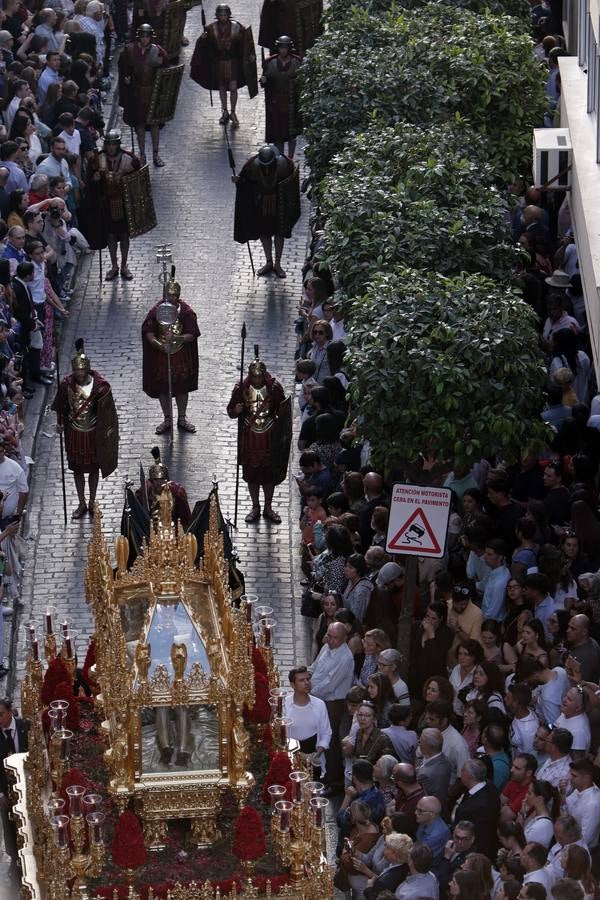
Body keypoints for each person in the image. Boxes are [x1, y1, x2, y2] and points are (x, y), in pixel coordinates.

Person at [52, 339, 118, 519]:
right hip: (75, 433)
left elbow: (108, 412)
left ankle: (92, 502)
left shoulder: (100, 386)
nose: (79, 374)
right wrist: (60, 423)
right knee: (78, 469)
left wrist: (108, 433)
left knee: (94, 469)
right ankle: (81, 502)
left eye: (82, 370)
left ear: (87, 369)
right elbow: (61, 406)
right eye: (76, 370)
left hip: (93, 433)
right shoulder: (67, 385)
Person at [227, 347, 289, 524]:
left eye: (259, 377)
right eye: (254, 377)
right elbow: (230, 410)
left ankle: (268, 507)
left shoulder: (274, 388)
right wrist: (236, 410)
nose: (256, 380)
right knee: (252, 473)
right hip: (250, 435)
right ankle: (255, 506)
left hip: (269, 434)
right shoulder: (241, 388)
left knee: (268, 474)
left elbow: (282, 410)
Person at [141, 275, 201, 435]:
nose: (172, 298)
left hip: (179, 353)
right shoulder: (156, 311)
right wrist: (160, 345)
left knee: (182, 387)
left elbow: (192, 334)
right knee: (162, 387)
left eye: (174, 295)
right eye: (169, 295)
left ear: (178, 296)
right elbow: (149, 332)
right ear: (165, 295)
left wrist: (176, 338)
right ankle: (167, 418)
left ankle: (181, 418)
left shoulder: (186, 312)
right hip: (162, 353)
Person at [233, 143, 300, 278]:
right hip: (261, 204)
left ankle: (278, 264)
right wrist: (239, 181)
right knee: (265, 233)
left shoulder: (284, 164)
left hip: (279, 205)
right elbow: (246, 181)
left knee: (280, 233)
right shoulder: (252, 165)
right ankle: (269, 261)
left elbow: (291, 182)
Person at [84, 129, 140, 280]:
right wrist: (95, 179)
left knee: (124, 234)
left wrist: (125, 173)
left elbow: (137, 167)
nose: (110, 147)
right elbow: (90, 179)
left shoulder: (128, 158)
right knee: (110, 235)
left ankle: (124, 265)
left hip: (123, 202)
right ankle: (114, 265)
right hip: (107, 203)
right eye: (108, 144)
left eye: (113, 144)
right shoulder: (98, 158)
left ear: (118, 145)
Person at [190, 3, 255, 127]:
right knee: (222, 87)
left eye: (225, 14)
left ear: (228, 15)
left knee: (233, 87)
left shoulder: (237, 27)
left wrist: (249, 55)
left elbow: (245, 42)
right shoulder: (211, 28)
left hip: (233, 62)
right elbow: (203, 46)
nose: (223, 16)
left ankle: (233, 112)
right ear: (217, 16)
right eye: (221, 14)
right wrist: (203, 39)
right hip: (219, 62)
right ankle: (224, 111)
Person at [308, 621, 355, 793]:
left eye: (336, 638)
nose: (331, 640)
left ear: (344, 638)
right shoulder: (326, 647)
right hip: (319, 698)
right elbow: (315, 667)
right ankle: (324, 772)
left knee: (331, 741)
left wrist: (310, 691)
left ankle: (334, 782)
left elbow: (330, 684)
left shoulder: (345, 658)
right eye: (329, 635)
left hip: (333, 703)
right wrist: (307, 677)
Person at [118, 24, 169, 167]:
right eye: (143, 36)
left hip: (152, 91)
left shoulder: (158, 51)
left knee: (154, 123)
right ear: (139, 36)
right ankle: (142, 154)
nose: (145, 39)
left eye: (147, 36)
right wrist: (126, 78)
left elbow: (165, 69)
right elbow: (124, 67)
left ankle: (156, 153)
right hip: (137, 91)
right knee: (139, 123)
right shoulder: (129, 50)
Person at [0, 698, 28, 886]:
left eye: (0, 714)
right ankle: (14, 859)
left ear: (10, 712)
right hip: (5, 792)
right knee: (9, 825)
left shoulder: (26, 726)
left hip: (26, 786)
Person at [259, 35, 302, 157]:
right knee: (278, 133)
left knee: (291, 134)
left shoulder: (297, 62)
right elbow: (265, 82)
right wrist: (263, 80)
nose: (283, 50)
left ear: (289, 48)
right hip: (276, 102)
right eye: (281, 48)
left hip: (291, 102)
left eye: (285, 48)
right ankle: (281, 158)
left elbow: (302, 82)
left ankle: (291, 158)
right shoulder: (270, 62)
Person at [454, 758, 501, 859]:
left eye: (462, 770)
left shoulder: (481, 807)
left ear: (469, 776)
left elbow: (482, 837)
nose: (460, 772)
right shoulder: (487, 785)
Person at [137, 446, 192, 530]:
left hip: (171, 530)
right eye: (156, 480)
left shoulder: (176, 492)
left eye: (161, 480)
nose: (159, 483)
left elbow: (185, 517)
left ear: (166, 480)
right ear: (152, 480)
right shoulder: (145, 491)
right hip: (151, 531)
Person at [283, 666, 331, 762]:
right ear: (293, 685)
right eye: (301, 680)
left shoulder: (320, 705)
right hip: (291, 754)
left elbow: (326, 732)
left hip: (312, 753)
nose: (307, 683)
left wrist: (318, 752)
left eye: (308, 679)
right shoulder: (285, 705)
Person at [422, 700, 470, 788]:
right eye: (427, 717)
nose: (427, 721)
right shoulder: (428, 731)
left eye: (431, 719)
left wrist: (449, 797)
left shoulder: (458, 745)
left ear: (444, 721)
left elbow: (462, 777)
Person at [564, 759, 600, 848]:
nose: (569, 778)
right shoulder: (577, 790)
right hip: (567, 838)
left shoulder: (593, 803)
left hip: (580, 851)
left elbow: (585, 839)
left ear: (586, 778)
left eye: (574, 776)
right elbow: (565, 808)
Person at [416, 728, 451, 807]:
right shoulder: (445, 760)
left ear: (427, 746)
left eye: (420, 741)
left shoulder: (425, 774)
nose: (418, 743)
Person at [500, 753, 538, 822]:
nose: (511, 770)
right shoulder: (515, 779)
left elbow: (506, 816)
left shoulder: (530, 791)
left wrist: (505, 807)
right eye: (513, 766)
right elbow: (500, 802)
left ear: (528, 773)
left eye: (517, 768)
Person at [506, 682, 540, 758]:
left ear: (516, 702)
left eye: (508, 698)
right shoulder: (520, 714)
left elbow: (529, 758)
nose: (505, 699)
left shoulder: (529, 730)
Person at [554, 687, 591, 755]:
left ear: (578, 708)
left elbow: (576, 761)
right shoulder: (568, 712)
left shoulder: (579, 732)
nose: (564, 699)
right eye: (566, 696)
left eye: (569, 699)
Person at [414, 796, 450, 863]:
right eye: (416, 809)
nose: (415, 813)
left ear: (432, 814)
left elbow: (418, 855)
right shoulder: (425, 820)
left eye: (420, 811)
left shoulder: (436, 835)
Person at [565, 614, 600, 682]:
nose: (568, 631)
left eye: (573, 629)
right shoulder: (591, 640)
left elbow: (580, 684)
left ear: (584, 632)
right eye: (568, 627)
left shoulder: (584, 657)